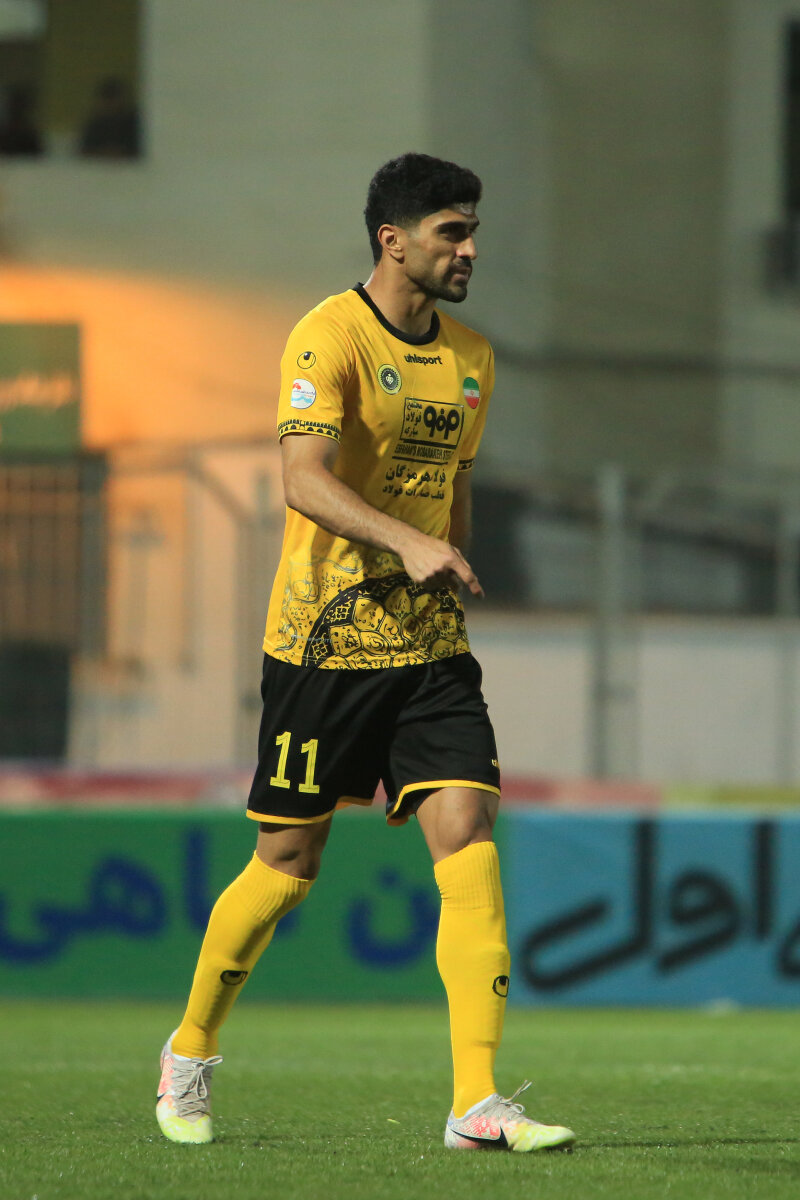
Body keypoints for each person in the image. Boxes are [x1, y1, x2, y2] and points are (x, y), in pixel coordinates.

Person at [155, 152, 575, 1154]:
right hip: (323, 643)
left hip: (428, 649)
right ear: (394, 240)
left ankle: (474, 1103)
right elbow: (301, 478)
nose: (469, 250)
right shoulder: (328, 334)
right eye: (450, 233)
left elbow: (453, 485)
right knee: (286, 863)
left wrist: (450, 557)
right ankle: (189, 1051)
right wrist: (405, 543)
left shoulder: (472, 358)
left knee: (467, 831)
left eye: (471, 232)